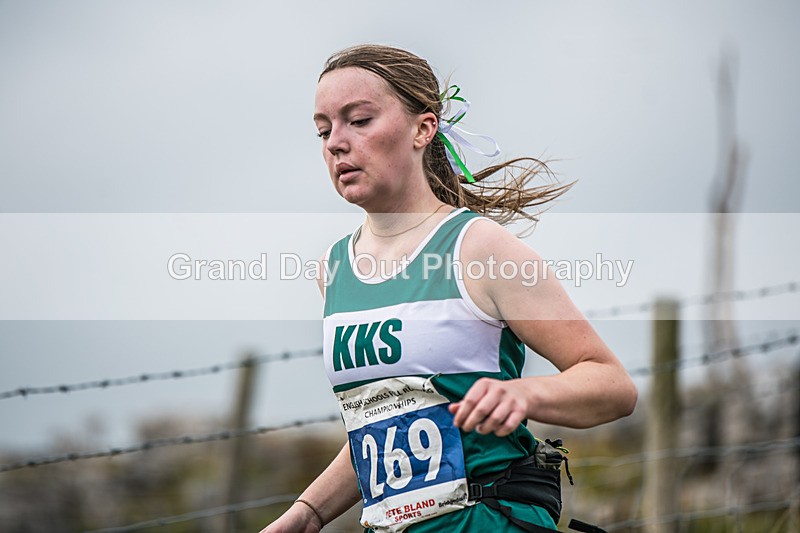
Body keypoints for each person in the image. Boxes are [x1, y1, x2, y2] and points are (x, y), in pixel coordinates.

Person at [261, 44, 637, 533]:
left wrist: (526, 395)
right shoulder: (332, 269)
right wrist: (306, 514)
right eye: (323, 129)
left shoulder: (479, 247)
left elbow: (612, 386)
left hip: (487, 520)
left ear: (424, 128)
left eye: (359, 120)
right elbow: (385, 425)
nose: (336, 142)